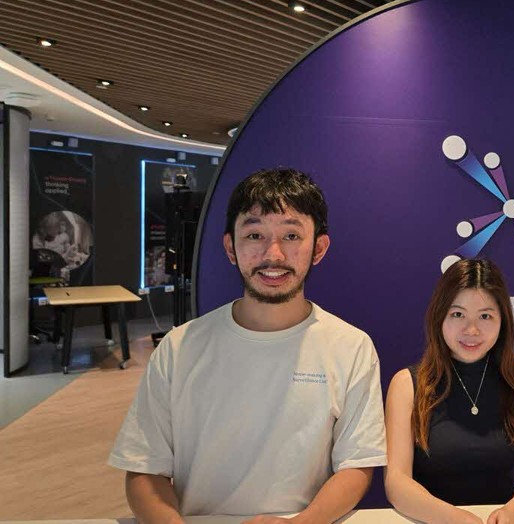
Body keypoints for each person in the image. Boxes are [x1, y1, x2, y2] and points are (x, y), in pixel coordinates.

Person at [109, 168, 387, 523]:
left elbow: (356, 466)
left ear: (318, 248)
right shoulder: (180, 348)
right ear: (230, 247)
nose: (273, 254)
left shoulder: (351, 347)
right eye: (254, 234)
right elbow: (144, 470)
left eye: (291, 235)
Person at [384, 258, 514, 524]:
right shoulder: (407, 385)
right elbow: (396, 481)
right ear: (440, 316)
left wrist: (513, 512)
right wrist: (456, 519)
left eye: (485, 316)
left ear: (503, 321)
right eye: (458, 314)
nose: (471, 330)